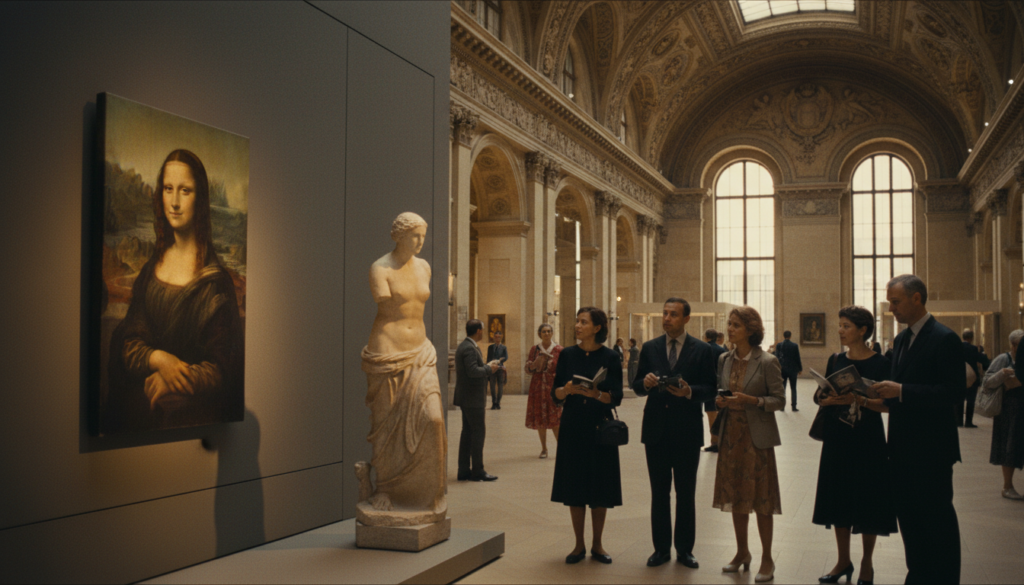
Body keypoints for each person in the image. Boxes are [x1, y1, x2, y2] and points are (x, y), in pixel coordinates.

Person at [106, 149, 243, 433]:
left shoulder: (216, 283)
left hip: (193, 423)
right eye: (168, 189)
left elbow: (224, 368)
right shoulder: (150, 271)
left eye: (186, 191)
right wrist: (159, 359)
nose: (175, 202)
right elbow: (128, 340)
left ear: (201, 199)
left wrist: (178, 377)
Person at [872, 274, 963, 584]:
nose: (891, 309)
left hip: (932, 451)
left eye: (895, 302)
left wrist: (902, 391)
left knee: (936, 522)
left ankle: (945, 578)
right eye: (889, 303)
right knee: (910, 521)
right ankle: (919, 575)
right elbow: (900, 391)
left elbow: (952, 392)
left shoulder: (944, 337)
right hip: (901, 449)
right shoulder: (900, 340)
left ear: (917, 298)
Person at [357, 211, 447, 523]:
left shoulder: (424, 267)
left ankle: (427, 490)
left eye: (423, 235)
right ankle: (385, 488)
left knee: (434, 419)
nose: (421, 242)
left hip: (421, 351)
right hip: (388, 351)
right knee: (385, 423)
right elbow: (385, 306)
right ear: (399, 235)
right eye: (415, 236)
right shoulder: (380, 268)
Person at [812, 306, 897, 585]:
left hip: (867, 439)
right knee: (838, 498)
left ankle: (866, 563)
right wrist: (825, 398)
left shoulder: (882, 363)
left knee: (868, 499)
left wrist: (859, 400)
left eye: (846, 326)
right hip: (838, 438)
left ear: (862, 330)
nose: (840, 330)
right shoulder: (836, 359)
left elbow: (887, 406)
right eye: (840, 325)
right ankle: (842, 560)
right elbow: (822, 395)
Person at [632, 298, 717, 569]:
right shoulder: (650, 347)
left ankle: (684, 550)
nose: (667, 318)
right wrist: (644, 383)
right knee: (659, 493)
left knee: (685, 492)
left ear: (686, 319)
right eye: (665, 314)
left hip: (687, 430)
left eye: (673, 314)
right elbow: (635, 385)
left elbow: (711, 389)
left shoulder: (702, 350)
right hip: (656, 430)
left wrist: (689, 391)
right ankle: (660, 549)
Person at [713, 306, 785, 583]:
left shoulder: (767, 361)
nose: (730, 329)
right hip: (731, 436)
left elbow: (778, 400)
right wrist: (722, 402)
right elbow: (722, 391)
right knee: (736, 497)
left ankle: (767, 558)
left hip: (757, 439)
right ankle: (742, 551)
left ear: (751, 330)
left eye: (736, 325)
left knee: (762, 500)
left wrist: (751, 401)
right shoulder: (724, 359)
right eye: (729, 324)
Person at [551, 307, 624, 565]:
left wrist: (597, 395)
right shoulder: (567, 355)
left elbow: (616, 396)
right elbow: (555, 394)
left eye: (584, 322)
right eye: (577, 321)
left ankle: (598, 544)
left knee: (600, 485)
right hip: (573, 426)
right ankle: (578, 544)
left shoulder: (611, 357)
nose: (578, 325)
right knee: (575, 485)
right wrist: (567, 389)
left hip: (599, 427)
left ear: (597, 328)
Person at [454, 319, 500, 482]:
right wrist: (490, 368)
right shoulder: (469, 348)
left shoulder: (466, 346)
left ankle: (464, 470)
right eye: (483, 329)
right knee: (478, 433)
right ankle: (477, 471)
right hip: (472, 398)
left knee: (467, 433)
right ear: (479, 331)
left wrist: (487, 365)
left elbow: (471, 369)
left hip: (468, 397)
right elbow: (473, 371)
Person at [987, 329, 1024, 499]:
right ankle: (1007, 486)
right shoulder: (1004, 359)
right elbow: (987, 382)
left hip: (1020, 408)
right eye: (1016, 345)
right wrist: (1002, 374)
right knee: (1008, 448)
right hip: (1008, 410)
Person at [525, 323, 562, 459]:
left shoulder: (559, 349)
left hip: (552, 386)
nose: (546, 334)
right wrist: (534, 364)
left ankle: (561, 447)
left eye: (548, 331)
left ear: (552, 333)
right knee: (540, 417)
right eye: (543, 331)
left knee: (555, 418)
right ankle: (544, 448)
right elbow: (528, 368)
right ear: (539, 334)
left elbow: (563, 369)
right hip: (538, 386)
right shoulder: (534, 349)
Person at [958, 329, 990, 428]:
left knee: (959, 399)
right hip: (972, 377)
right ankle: (968, 422)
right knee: (971, 400)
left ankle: (958, 421)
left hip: (959, 377)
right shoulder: (973, 348)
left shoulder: (957, 347)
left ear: (963, 337)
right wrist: (983, 353)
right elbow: (981, 360)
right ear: (971, 338)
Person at [704, 328, 728, 453]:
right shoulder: (721, 350)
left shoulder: (702, 348)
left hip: (706, 385)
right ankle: (721, 441)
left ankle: (714, 442)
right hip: (720, 385)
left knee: (711, 414)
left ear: (705, 337)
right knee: (720, 413)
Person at [775, 330, 803, 412]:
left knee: (783, 388)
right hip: (793, 369)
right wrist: (800, 369)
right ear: (790, 336)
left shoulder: (779, 345)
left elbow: (776, 358)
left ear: (783, 336)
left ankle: (782, 407)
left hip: (782, 369)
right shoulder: (794, 346)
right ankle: (794, 406)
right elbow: (797, 358)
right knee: (793, 388)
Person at [487, 330, 509, 410]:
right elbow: (488, 358)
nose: (497, 338)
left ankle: (498, 402)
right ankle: (494, 403)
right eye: (496, 337)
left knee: (500, 386)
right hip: (492, 369)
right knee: (492, 386)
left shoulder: (503, 347)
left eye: (499, 337)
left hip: (500, 369)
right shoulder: (490, 347)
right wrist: (490, 364)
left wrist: (499, 362)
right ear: (493, 337)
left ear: (501, 338)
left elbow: (506, 357)